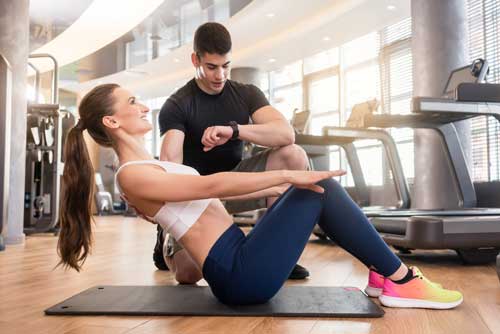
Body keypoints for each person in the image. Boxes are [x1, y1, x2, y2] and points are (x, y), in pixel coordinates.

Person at [57, 83, 463, 309]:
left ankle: (384, 274)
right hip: (237, 275)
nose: (143, 105)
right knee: (320, 187)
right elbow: (211, 186)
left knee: (312, 187)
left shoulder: (147, 166)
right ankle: (400, 278)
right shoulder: (133, 176)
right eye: (132, 102)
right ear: (111, 120)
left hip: (237, 254)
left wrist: (277, 186)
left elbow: (208, 205)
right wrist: (288, 174)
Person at [156, 22, 311, 280]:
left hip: (236, 182)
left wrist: (235, 130)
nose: (220, 76)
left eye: (225, 66)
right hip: (198, 194)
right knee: (189, 274)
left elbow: (285, 134)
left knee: (293, 154)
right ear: (196, 60)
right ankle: (166, 239)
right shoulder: (178, 104)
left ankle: (275, 253)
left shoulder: (245, 94)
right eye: (211, 67)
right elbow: (171, 167)